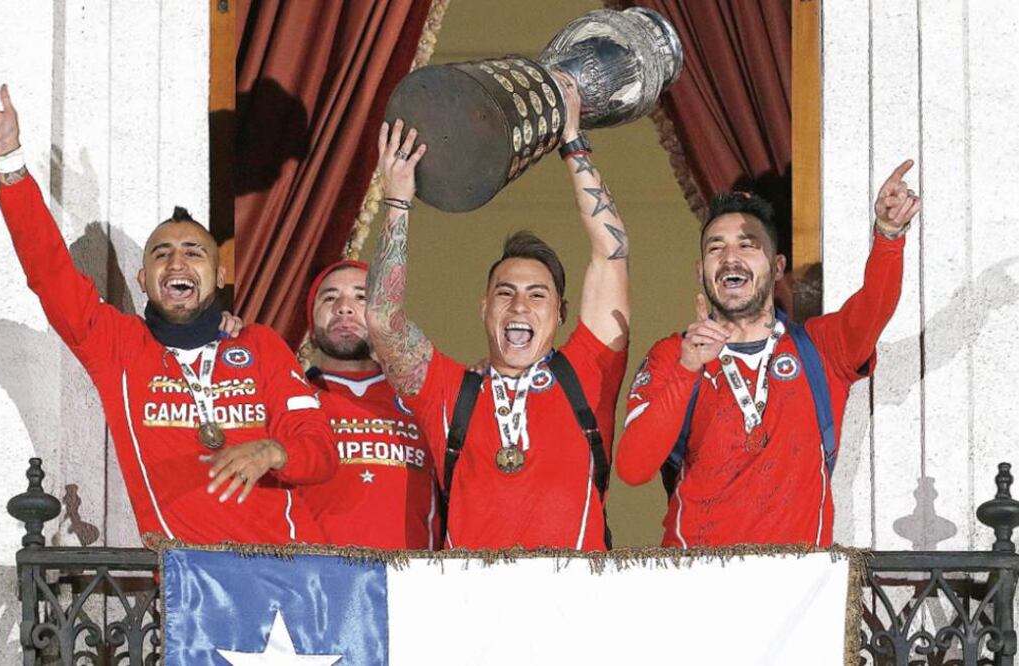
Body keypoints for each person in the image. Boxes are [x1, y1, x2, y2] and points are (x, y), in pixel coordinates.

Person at [0, 74, 337, 545]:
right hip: (191, 585)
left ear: (218, 276)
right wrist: (10, 161)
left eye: (194, 252)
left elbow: (320, 452)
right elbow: (50, 275)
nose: (177, 261)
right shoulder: (119, 346)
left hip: (293, 570)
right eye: (161, 254)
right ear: (143, 281)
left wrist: (274, 451)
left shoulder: (260, 346)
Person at [365, 75, 629, 551]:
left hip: (574, 615)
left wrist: (572, 141)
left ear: (562, 312)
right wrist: (398, 201)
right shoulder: (448, 391)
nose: (520, 306)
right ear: (484, 308)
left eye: (537, 294)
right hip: (472, 618)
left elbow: (610, 252)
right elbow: (384, 320)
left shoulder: (589, 373)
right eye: (505, 293)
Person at [616, 164, 922, 547]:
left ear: (777, 267)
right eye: (716, 247)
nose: (730, 257)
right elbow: (632, 468)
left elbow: (875, 307)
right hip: (694, 587)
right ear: (701, 272)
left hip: (801, 589)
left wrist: (888, 237)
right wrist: (687, 369)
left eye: (747, 244)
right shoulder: (672, 356)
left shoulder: (820, 348)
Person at [300, 260, 439, 549]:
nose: (344, 307)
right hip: (314, 584)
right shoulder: (289, 399)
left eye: (361, 297)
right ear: (311, 329)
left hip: (412, 583)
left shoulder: (422, 397)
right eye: (329, 297)